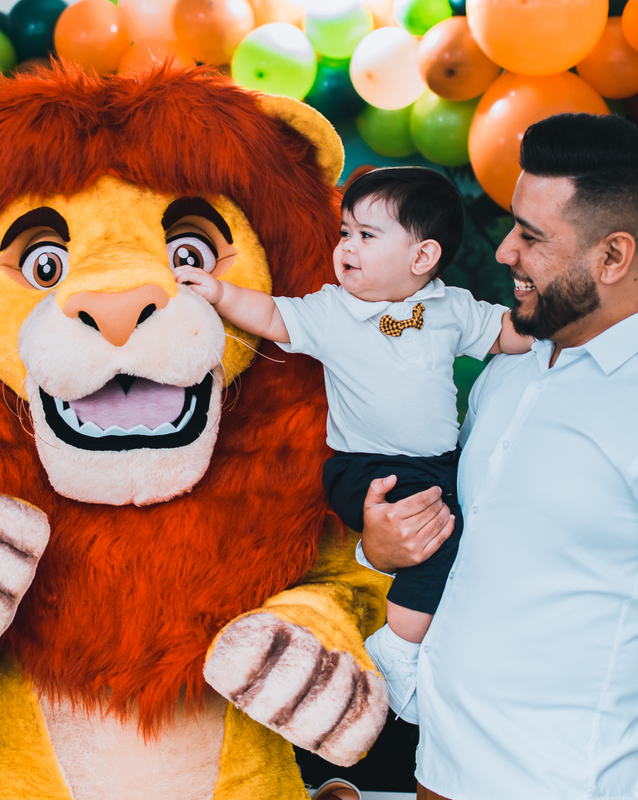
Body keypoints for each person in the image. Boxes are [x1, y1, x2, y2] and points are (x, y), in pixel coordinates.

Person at [359, 113, 638, 798]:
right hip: (435, 769)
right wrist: (382, 549)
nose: (503, 253)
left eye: (533, 236)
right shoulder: (511, 369)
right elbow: (473, 553)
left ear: (613, 257)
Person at [176, 166, 532, 726]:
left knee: (469, 536)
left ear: (422, 258)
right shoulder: (332, 310)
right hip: (365, 469)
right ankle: (398, 651)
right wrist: (219, 292)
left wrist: (556, 328)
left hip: (436, 465)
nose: (347, 247)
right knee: (439, 543)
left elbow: (508, 335)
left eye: (367, 236)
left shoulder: (450, 308)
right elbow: (272, 314)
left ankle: (436, 638)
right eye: (345, 232)